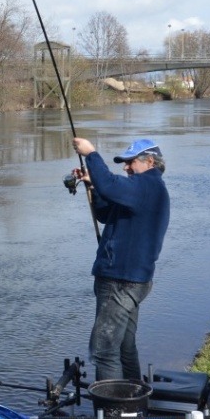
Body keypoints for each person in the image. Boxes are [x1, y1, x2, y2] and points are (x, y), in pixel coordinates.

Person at [71, 136, 170, 382]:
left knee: (104, 351)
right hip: (129, 279)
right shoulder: (142, 190)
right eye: (124, 163)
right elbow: (106, 214)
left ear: (149, 161)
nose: (125, 167)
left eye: (130, 162)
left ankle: (114, 417)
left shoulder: (146, 186)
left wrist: (91, 154)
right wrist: (93, 187)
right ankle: (135, 407)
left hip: (121, 282)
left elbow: (111, 184)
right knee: (124, 348)